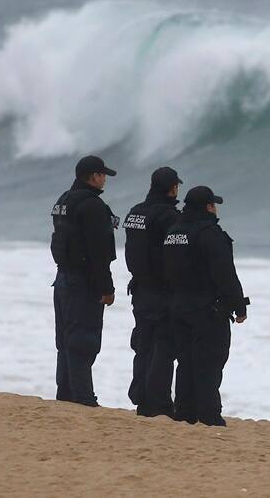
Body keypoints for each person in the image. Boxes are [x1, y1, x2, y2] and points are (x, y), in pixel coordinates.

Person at [163, 186, 248, 426]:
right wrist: (239, 306)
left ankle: (184, 412)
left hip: (178, 306)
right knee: (209, 362)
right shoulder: (210, 234)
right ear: (209, 206)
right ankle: (208, 415)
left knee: (186, 361)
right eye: (214, 204)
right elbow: (225, 274)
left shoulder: (173, 232)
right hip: (206, 310)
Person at [49, 155, 119, 407]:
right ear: (94, 176)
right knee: (83, 340)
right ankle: (83, 398)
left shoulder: (63, 201)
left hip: (62, 279)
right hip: (83, 281)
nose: (104, 180)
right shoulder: (93, 206)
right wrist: (107, 288)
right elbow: (99, 253)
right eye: (103, 175)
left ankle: (66, 394)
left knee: (65, 340)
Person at [123, 166, 182, 417]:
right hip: (162, 291)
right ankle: (157, 404)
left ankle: (142, 398)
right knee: (163, 347)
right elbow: (173, 256)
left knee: (143, 345)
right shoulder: (169, 216)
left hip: (140, 288)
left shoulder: (136, 212)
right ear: (173, 188)